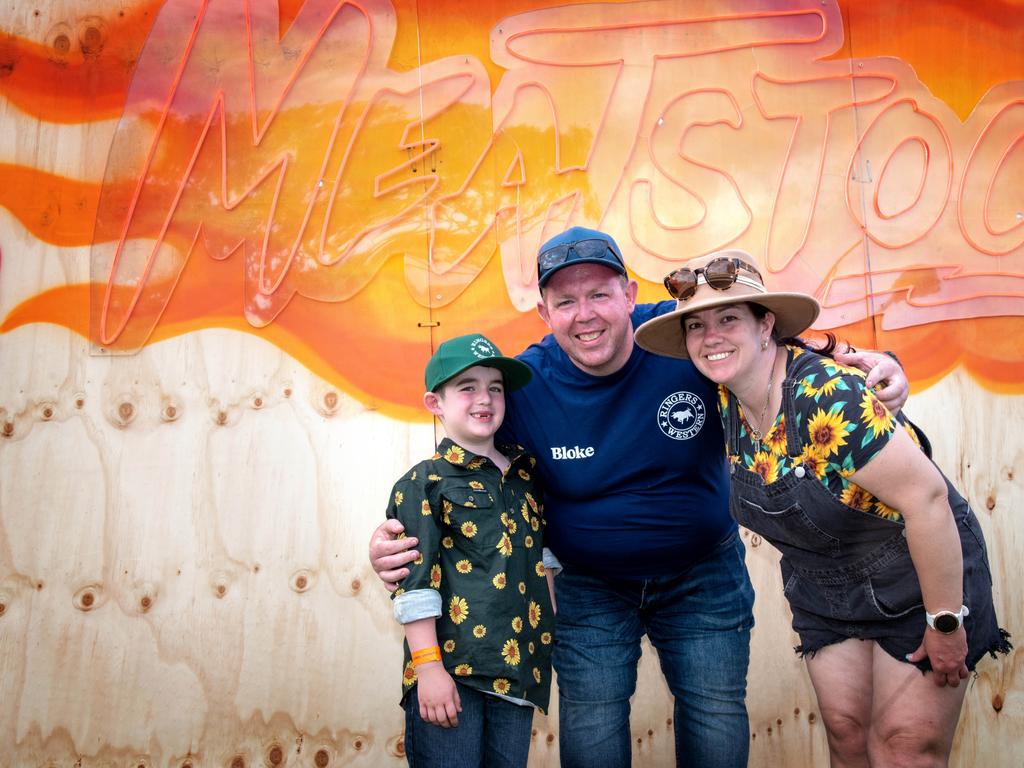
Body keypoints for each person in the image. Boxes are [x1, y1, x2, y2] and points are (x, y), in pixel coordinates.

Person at [371, 227, 910, 768]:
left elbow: (772, 344)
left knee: (715, 715)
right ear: (544, 313)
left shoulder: (682, 336)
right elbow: (468, 470)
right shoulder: (522, 387)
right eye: (565, 301)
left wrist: (871, 360)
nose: (585, 314)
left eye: (600, 294)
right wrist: (396, 537)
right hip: (588, 587)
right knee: (591, 724)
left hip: (704, 574)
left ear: (629, 294)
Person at [634, 250, 1011, 767]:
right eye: (696, 325)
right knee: (848, 738)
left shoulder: (822, 392)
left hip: (914, 576)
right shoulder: (725, 393)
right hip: (823, 586)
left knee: (903, 750)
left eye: (728, 319)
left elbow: (926, 501)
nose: (711, 336)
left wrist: (945, 622)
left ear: (765, 325)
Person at [385, 333, 556, 768]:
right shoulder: (423, 483)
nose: (485, 398)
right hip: (451, 675)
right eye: (468, 387)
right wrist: (427, 669)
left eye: (495, 388)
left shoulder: (526, 475)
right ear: (435, 403)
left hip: (518, 677)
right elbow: (415, 585)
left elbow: (543, 562)